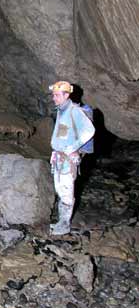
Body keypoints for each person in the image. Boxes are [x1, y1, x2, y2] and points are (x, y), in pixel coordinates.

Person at [49, 81, 95, 235]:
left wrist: (71, 148)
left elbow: (89, 130)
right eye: (53, 95)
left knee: (66, 192)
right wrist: (55, 151)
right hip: (59, 157)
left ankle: (64, 225)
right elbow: (61, 134)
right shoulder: (61, 110)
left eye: (56, 95)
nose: (53, 98)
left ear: (66, 95)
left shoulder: (74, 111)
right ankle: (61, 222)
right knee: (60, 190)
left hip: (67, 160)